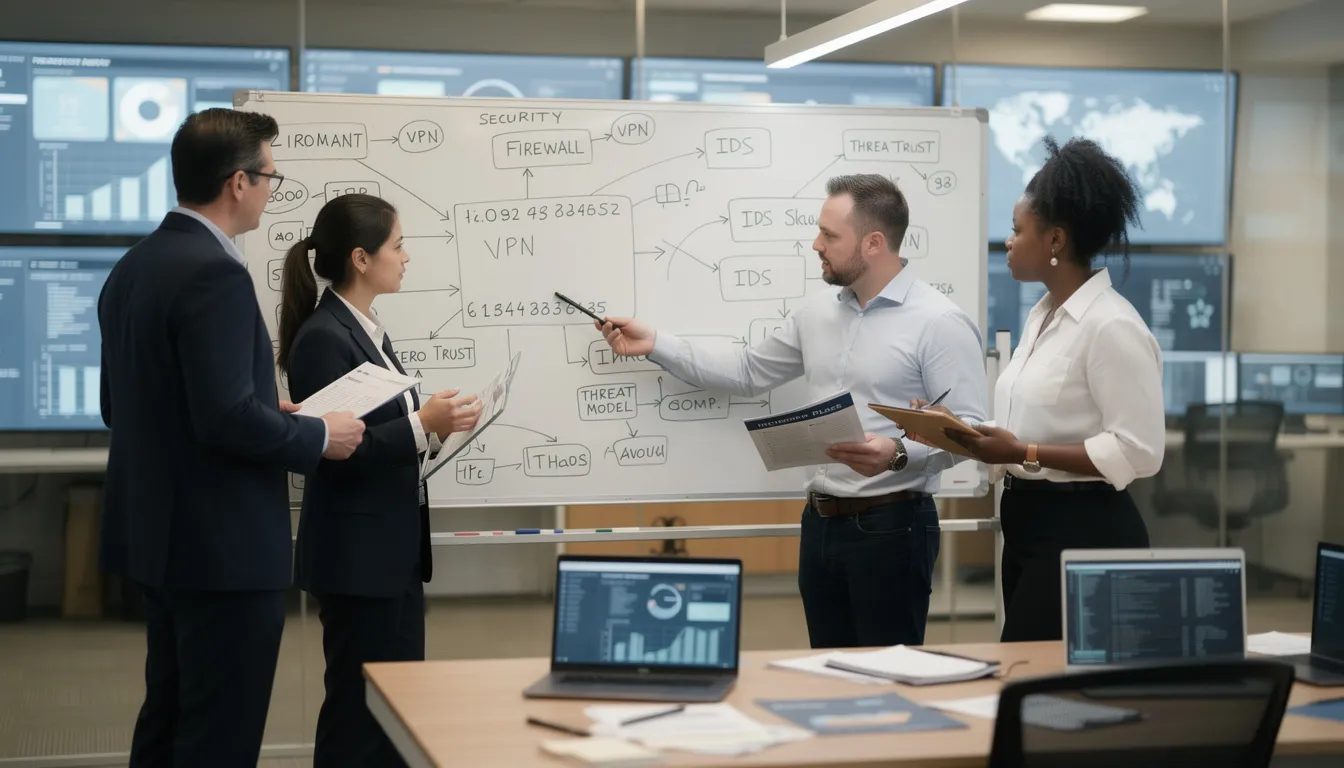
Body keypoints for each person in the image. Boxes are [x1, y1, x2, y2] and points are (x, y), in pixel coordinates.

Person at [598, 174, 988, 648]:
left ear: (873, 243)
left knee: (887, 679)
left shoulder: (939, 322)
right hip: (821, 525)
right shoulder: (816, 313)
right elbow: (746, 371)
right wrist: (656, 343)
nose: (815, 244)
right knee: (828, 671)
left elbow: (971, 433)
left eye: (829, 235)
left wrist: (899, 453)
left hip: (893, 527)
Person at [98, 108, 366, 767]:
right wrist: (314, 434)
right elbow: (223, 421)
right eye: (271, 175)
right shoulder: (213, 272)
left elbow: (124, 404)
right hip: (221, 549)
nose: (274, 189)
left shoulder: (136, 265)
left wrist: (257, 405)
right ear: (238, 183)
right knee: (218, 732)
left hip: (159, 540)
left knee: (168, 716)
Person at [278, 193, 482, 767]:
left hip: (386, 555)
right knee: (357, 714)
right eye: (398, 245)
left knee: (393, 709)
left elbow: (377, 428)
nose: (407, 256)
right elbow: (336, 448)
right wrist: (421, 424)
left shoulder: (364, 328)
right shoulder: (324, 337)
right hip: (357, 558)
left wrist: (434, 425)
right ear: (362, 259)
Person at [938, 137, 1163, 642]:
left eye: (1018, 231)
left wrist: (1026, 451)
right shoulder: (1043, 316)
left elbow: (1139, 451)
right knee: (1028, 673)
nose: (1009, 242)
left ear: (1055, 240)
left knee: (1039, 681)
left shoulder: (1111, 326)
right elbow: (1035, 424)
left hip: (1084, 530)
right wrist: (956, 430)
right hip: (1027, 524)